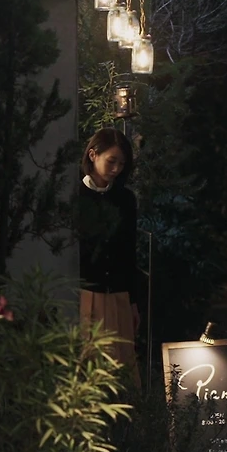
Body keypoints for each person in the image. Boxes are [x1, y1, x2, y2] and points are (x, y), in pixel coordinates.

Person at [75, 128, 141, 385]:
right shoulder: (76, 195)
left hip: (118, 293)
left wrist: (133, 300)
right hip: (85, 292)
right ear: (93, 155)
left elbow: (128, 251)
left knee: (122, 367)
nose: (116, 169)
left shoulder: (124, 199)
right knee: (88, 365)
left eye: (121, 164)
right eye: (111, 161)